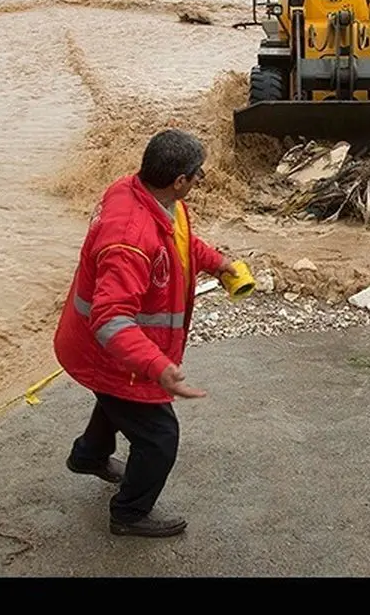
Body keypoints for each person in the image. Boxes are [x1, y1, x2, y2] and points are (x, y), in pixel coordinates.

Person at [53, 129, 238, 538]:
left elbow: (181, 243)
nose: (201, 179)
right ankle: (129, 513)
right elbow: (110, 319)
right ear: (179, 180)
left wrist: (217, 263)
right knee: (159, 437)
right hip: (110, 355)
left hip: (106, 350)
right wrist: (158, 367)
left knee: (118, 404)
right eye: (198, 174)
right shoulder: (130, 240)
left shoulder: (145, 195)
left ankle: (89, 456)